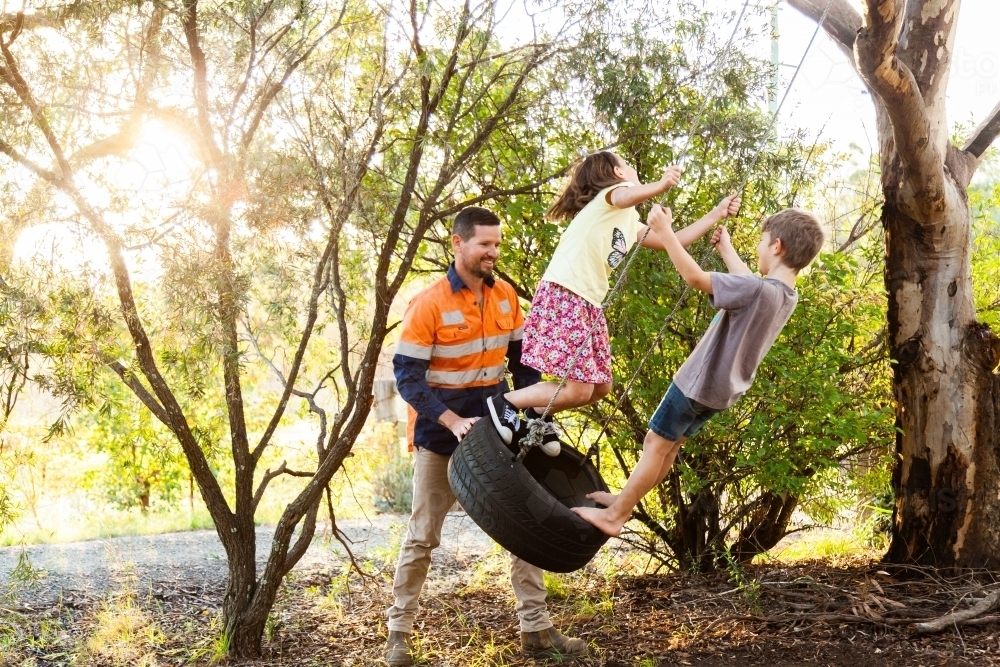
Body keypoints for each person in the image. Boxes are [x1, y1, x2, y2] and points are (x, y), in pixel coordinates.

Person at [385, 206, 590, 665]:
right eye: (484, 244)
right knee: (423, 535)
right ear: (457, 244)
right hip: (442, 438)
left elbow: (521, 365)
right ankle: (398, 634)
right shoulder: (429, 303)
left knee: (526, 524)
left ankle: (536, 630)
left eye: (497, 244)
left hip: (498, 431)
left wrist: (537, 412)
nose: (493, 252)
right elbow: (408, 378)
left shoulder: (507, 297)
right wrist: (452, 422)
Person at [573, 204, 825, 537]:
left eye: (762, 241)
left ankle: (616, 514)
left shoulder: (757, 290)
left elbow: (696, 278)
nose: (759, 248)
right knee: (667, 447)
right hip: (720, 393)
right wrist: (726, 248)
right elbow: (747, 283)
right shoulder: (785, 295)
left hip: (696, 383)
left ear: (776, 246)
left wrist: (664, 231)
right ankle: (624, 502)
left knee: (655, 444)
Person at [488, 151, 732, 454]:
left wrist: (715, 214)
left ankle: (538, 412)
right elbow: (624, 196)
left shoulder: (629, 221)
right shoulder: (608, 198)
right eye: (628, 164)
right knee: (579, 389)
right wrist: (660, 184)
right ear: (617, 172)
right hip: (567, 293)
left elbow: (675, 240)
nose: (632, 168)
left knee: (601, 386)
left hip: (588, 304)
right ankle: (505, 402)